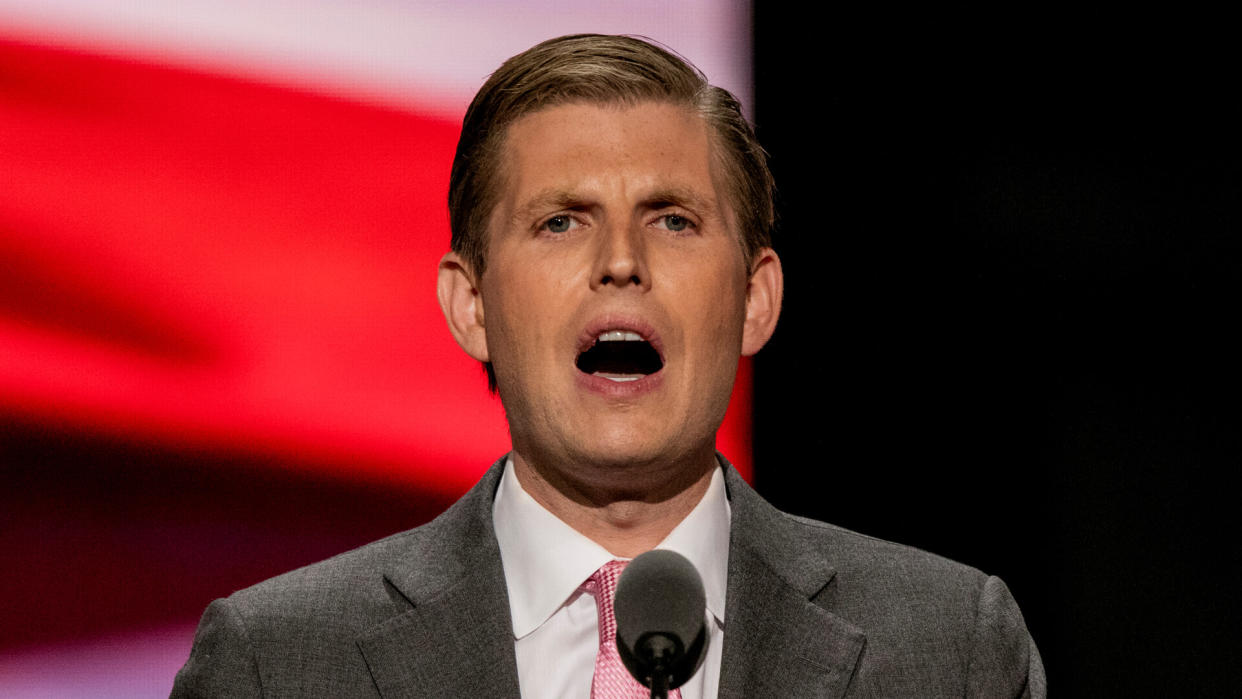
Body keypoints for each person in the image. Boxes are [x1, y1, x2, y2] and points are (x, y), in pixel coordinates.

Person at [172, 34, 1045, 697]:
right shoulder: (276, 664)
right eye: (562, 221)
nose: (621, 260)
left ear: (754, 299)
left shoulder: (949, 650)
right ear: (470, 306)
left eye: (672, 218)